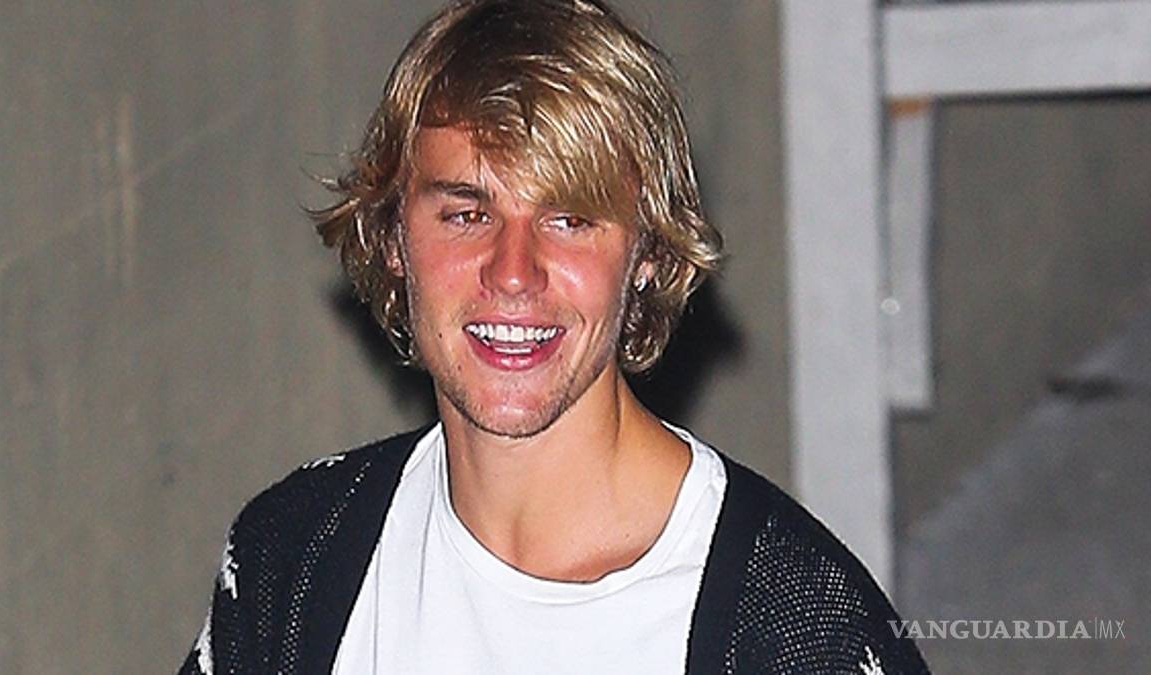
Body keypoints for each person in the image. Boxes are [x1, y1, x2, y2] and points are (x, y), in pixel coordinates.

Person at [179, 0, 928, 673]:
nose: (513, 272)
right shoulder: (292, 556)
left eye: (570, 219)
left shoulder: (795, 626)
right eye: (467, 214)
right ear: (392, 237)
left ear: (649, 252)